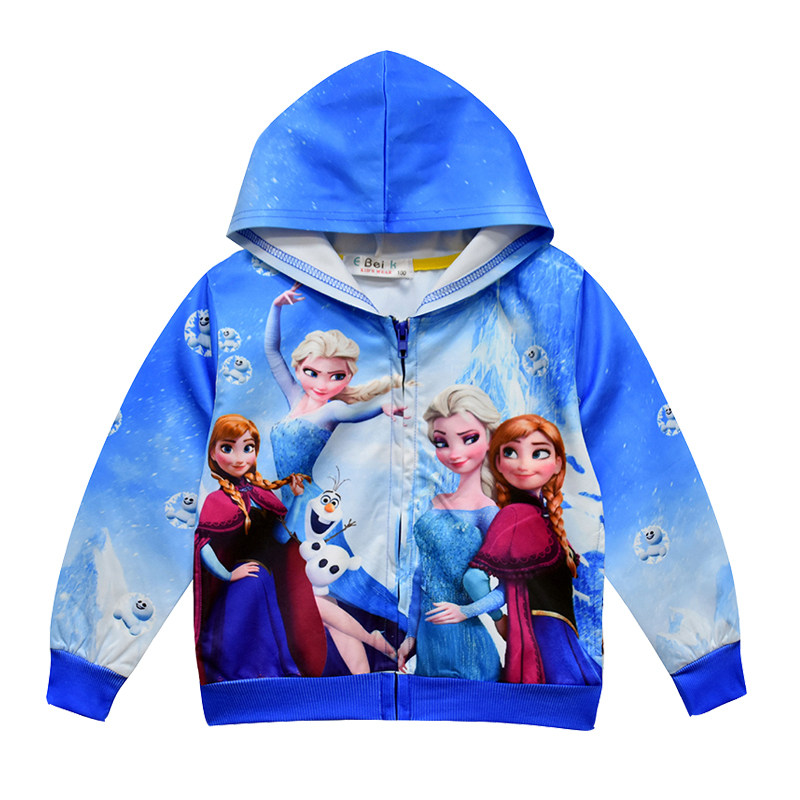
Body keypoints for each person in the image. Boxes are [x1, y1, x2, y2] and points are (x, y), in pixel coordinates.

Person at [432, 414, 600, 685]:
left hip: (554, 636)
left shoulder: (542, 516)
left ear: (558, 463)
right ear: (498, 463)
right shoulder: (515, 515)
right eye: (511, 452)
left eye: (539, 453)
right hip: (542, 640)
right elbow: (475, 578)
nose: (524, 464)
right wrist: (499, 619)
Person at [194, 414, 327, 681]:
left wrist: (297, 500)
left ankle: (273, 674)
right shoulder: (215, 501)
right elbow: (204, 545)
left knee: (271, 633)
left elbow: (280, 537)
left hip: (265, 580)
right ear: (213, 453)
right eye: (227, 448)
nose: (238, 458)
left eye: (248, 448)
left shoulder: (261, 494)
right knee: (245, 640)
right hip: (241, 585)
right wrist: (228, 575)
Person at [397, 385, 502, 681]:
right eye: (442, 442)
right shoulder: (436, 502)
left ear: (490, 438)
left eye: (469, 439)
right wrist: (411, 635)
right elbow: (421, 576)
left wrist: (467, 611)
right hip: (428, 642)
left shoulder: (487, 512)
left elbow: (509, 586)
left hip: (468, 647)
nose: (455, 453)